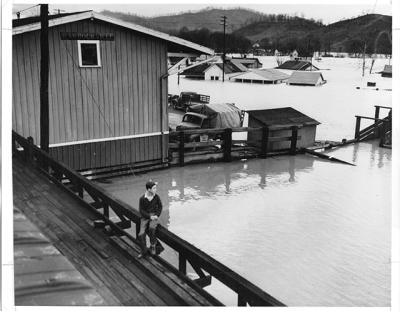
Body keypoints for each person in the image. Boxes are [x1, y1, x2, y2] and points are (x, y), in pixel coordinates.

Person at [137, 180, 163, 258]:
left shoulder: (156, 196)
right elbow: (141, 211)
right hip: (146, 217)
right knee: (141, 234)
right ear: (149, 189)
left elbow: (160, 206)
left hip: (154, 216)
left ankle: (152, 246)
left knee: (152, 228)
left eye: (155, 188)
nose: (156, 189)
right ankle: (143, 251)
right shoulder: (142, 198)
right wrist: (149, 216)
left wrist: (157, 215)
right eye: (154, 188)